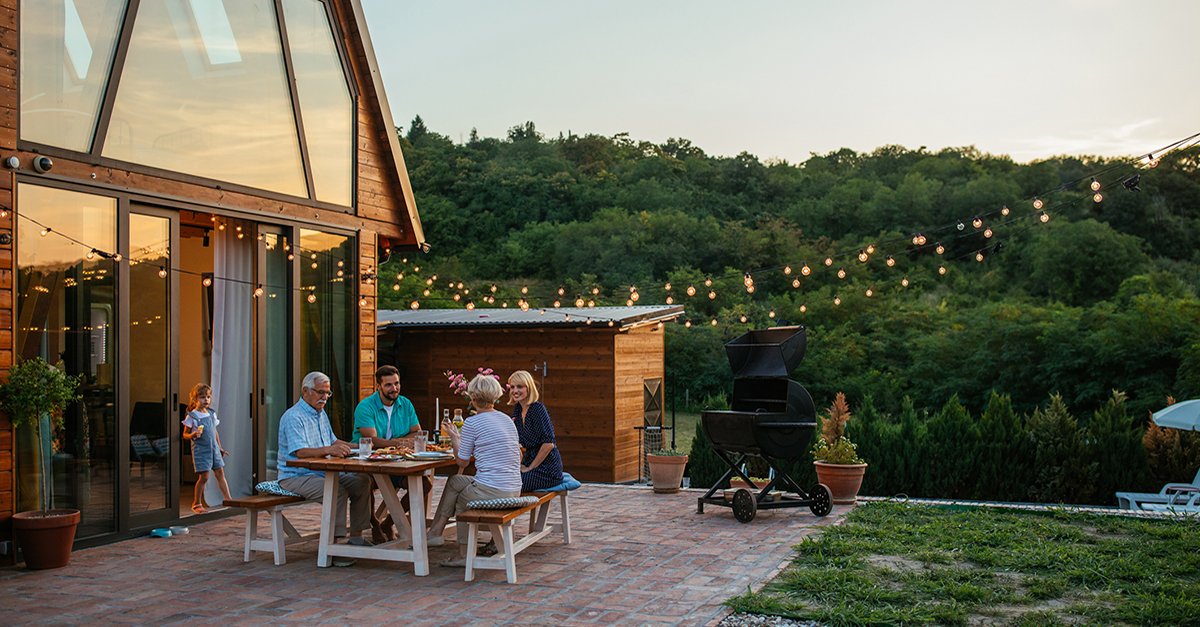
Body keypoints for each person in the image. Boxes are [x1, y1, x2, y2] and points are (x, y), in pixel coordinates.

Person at [426, 373, 521, 567]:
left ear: (473, 398)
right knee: (454, 482)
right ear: (495, 397)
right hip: (513, 488)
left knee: (463, 500)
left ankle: (462, 554)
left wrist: (454, 437)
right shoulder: (506, 420)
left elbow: (461, 462)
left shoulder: (472, 422)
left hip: (492, 489)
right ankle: (435, 532)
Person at [278, 371, 372, 566]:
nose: (325, 398)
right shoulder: (293, 417)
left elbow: (332, 441)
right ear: (305, 391)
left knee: (363, 481)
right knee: (336, 490)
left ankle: (356, 537)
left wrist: (362, 446)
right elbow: (301, 453)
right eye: (321, 392)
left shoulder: (320, 414)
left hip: (322, 473)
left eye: (328, 393)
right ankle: (334, 546)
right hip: (295, 476)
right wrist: (330, 449)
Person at [353, 364, 429, 542]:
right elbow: (371, 441)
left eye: (396, 383)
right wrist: (399, 443)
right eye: (388, 385)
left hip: (396, 462)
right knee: (363, 483)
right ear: (378, 386)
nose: (394, 388)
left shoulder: (405, 403)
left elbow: (416, 433)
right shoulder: (365, 407)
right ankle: (374, 524)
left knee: (424, 484)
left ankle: (389, 522)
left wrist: (393, 445)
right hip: (368, 462)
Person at [508, 370, 564, 492]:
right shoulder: (518, 409)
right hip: (529, 461)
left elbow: (549, 444)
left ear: (529, 388)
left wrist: (530, 468)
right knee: (504, 479)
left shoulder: (537, 409)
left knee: (513, 485)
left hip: (547, 468)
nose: (515, 391)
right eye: (512, 387)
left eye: (519, 387)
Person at [182, 383, 232, 514]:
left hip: (214, 449)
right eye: (202, 397)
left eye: (208, 397)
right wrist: (192, 434)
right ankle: (196, 503)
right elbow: (185, 434)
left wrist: (220, 448)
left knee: (220, 474)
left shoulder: (211, 414)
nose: (206, 400)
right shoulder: (192, 416)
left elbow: (214, 432)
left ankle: (229, 500)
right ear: (195, 400)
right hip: (201, 451)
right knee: (204, 477)